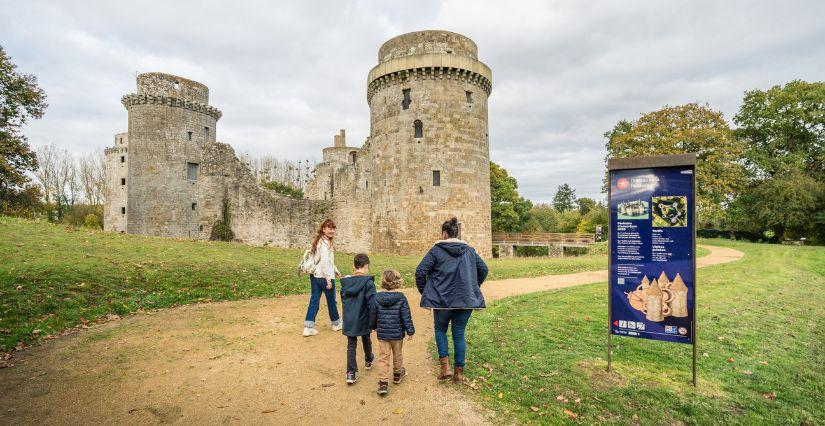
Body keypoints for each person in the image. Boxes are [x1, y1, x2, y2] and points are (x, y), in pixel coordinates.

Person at [415, 217, 488, 383]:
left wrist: (427, 292)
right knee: (459, 334)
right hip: (465, 300)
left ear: (444, 233)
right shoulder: (469, 250)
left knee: (440, 330)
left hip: (441, 300)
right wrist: (473, 287)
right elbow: (483, 269)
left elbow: (420, 272)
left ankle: (445, 367)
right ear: (456, 233)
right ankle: (458, 372)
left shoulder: (436, 250)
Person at [370, 269, 414, 396]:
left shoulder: (377, 297)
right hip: (397, 334)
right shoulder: (401, 298)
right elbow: (406, 315)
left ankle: (383, 382)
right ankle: (397, 374)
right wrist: (410, 330)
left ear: (383, 282)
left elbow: (373, 314)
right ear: (397, 282)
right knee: (397, 354)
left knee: (384, 357)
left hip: (383, 334)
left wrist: (373, 326)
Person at [339, 253, 377, 384]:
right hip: (364, 317)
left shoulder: (345, 283)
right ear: (366, 266)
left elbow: (344, 301)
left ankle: (351, 372)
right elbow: (372, 304)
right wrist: (375, 320)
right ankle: (368, 359)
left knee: (351, 345)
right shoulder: (369, 283)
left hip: (350, 317)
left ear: (354, 266)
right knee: (366, 338)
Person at [303, 219, 342, 337]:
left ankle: (308, 327)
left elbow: (327, 261)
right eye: (329, 228)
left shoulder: (319, 241)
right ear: (323, 229)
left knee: (314, 300)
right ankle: (336, 324)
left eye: (333, 228)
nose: (332, 231)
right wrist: (329, 279)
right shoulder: (324, 244)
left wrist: (336, 270)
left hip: (315, 276)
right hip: (324, 277)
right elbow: (325, 262)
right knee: (331, 301)